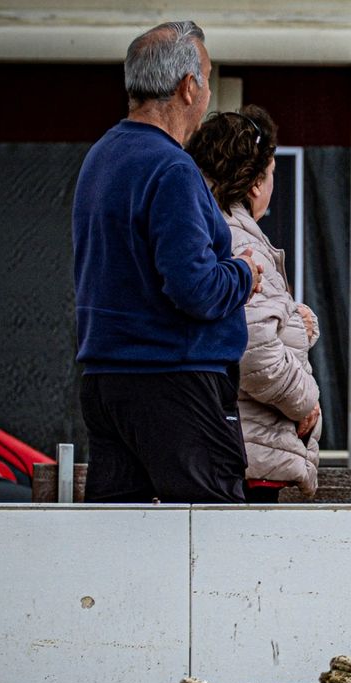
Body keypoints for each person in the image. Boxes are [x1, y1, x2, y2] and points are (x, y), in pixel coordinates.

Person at [71, 20, 262, 503]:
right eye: (208, 77)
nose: (208, 91)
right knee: (213, 542)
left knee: (124, 546)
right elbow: (194, 288)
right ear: (188, 86)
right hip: (176, 383)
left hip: (105, 381)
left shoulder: (101, 157)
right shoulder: (172, 168)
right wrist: (244, 273)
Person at [187, 106, 323, 499]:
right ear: (254, 183)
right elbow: (254, 353)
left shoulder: (207, 229)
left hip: (236, 449)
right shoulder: (242, 241)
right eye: (272, 174)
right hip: (250, 455)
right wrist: (306, 404)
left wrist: (294, 320)